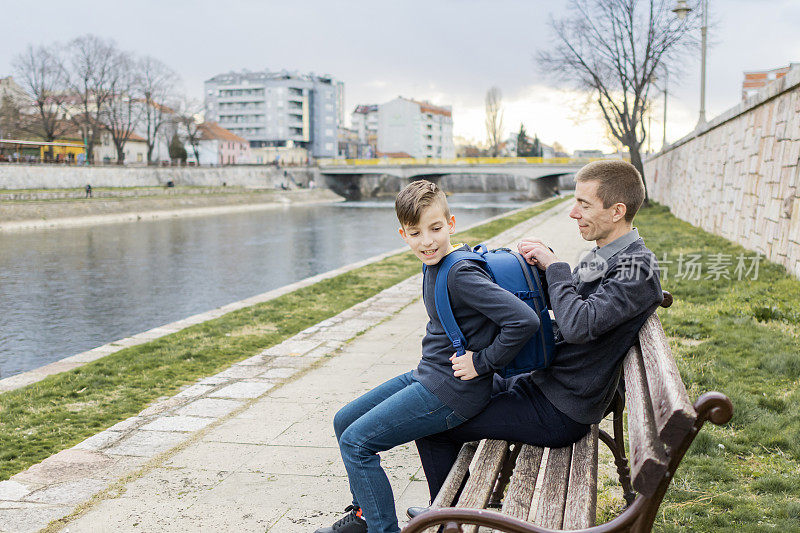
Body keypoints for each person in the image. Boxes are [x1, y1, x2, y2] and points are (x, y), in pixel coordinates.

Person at [409, 159, 664, 514]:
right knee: (436, 403)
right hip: (546, 385)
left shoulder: (638, 269)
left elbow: (577, 323)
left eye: (584, 204)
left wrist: (555, 265)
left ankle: (451, 516)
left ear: (617, 211)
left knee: (432, 424)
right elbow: (571, 306)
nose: (573, 213)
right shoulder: (611, 256)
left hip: (559, 409)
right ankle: (454, 508)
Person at [315, 180, 541, 533]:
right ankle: (364, 515)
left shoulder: (459, 273)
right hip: (429, 376)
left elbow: (523, 320)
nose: (427, 241)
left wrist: (481, 363)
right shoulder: (433, 264)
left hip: (452, 392)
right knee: (345, 421)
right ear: (403, 234)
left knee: (357, 443)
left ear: (451, 224)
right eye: (415, 233)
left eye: (435, 229)